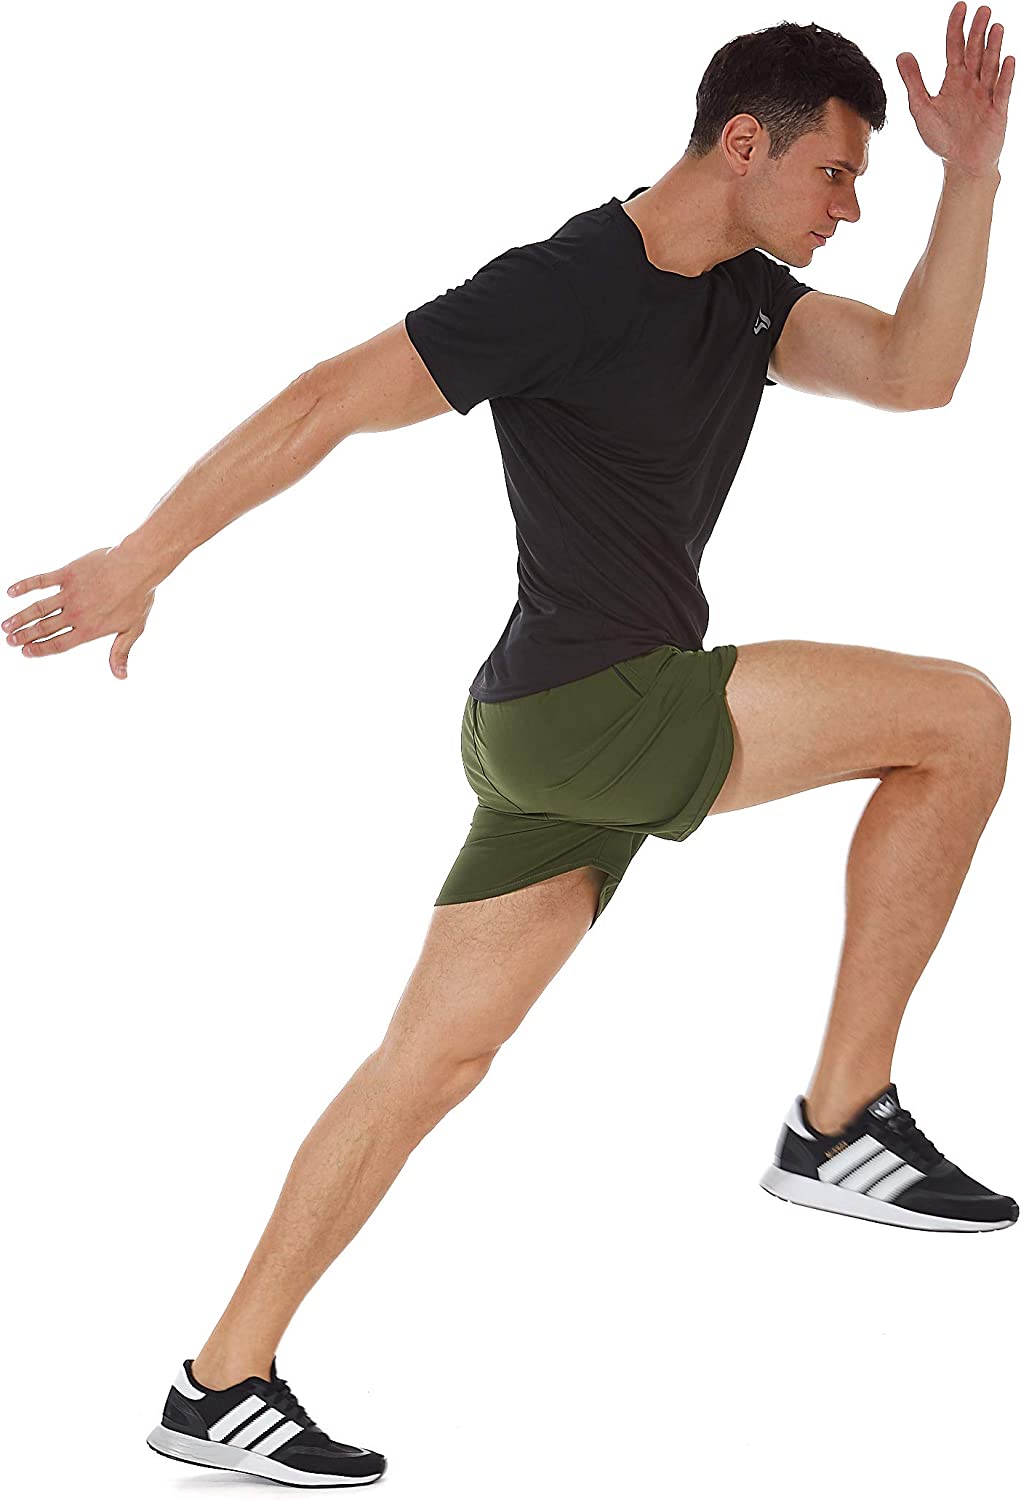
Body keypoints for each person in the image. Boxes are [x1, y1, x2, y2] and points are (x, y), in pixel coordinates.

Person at [4, 6, 1016, 1488]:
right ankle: (840, 1120)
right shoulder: (562, 286)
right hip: (599, 708)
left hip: (541, 732)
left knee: (428, 1060)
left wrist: (971, 178)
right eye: (838, 174)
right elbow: (326, 400)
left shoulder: (746, 295)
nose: (849, 209)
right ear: (745, 144)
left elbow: (915, 375)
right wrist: (141, 558)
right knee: (961, 718)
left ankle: (219, 1383)